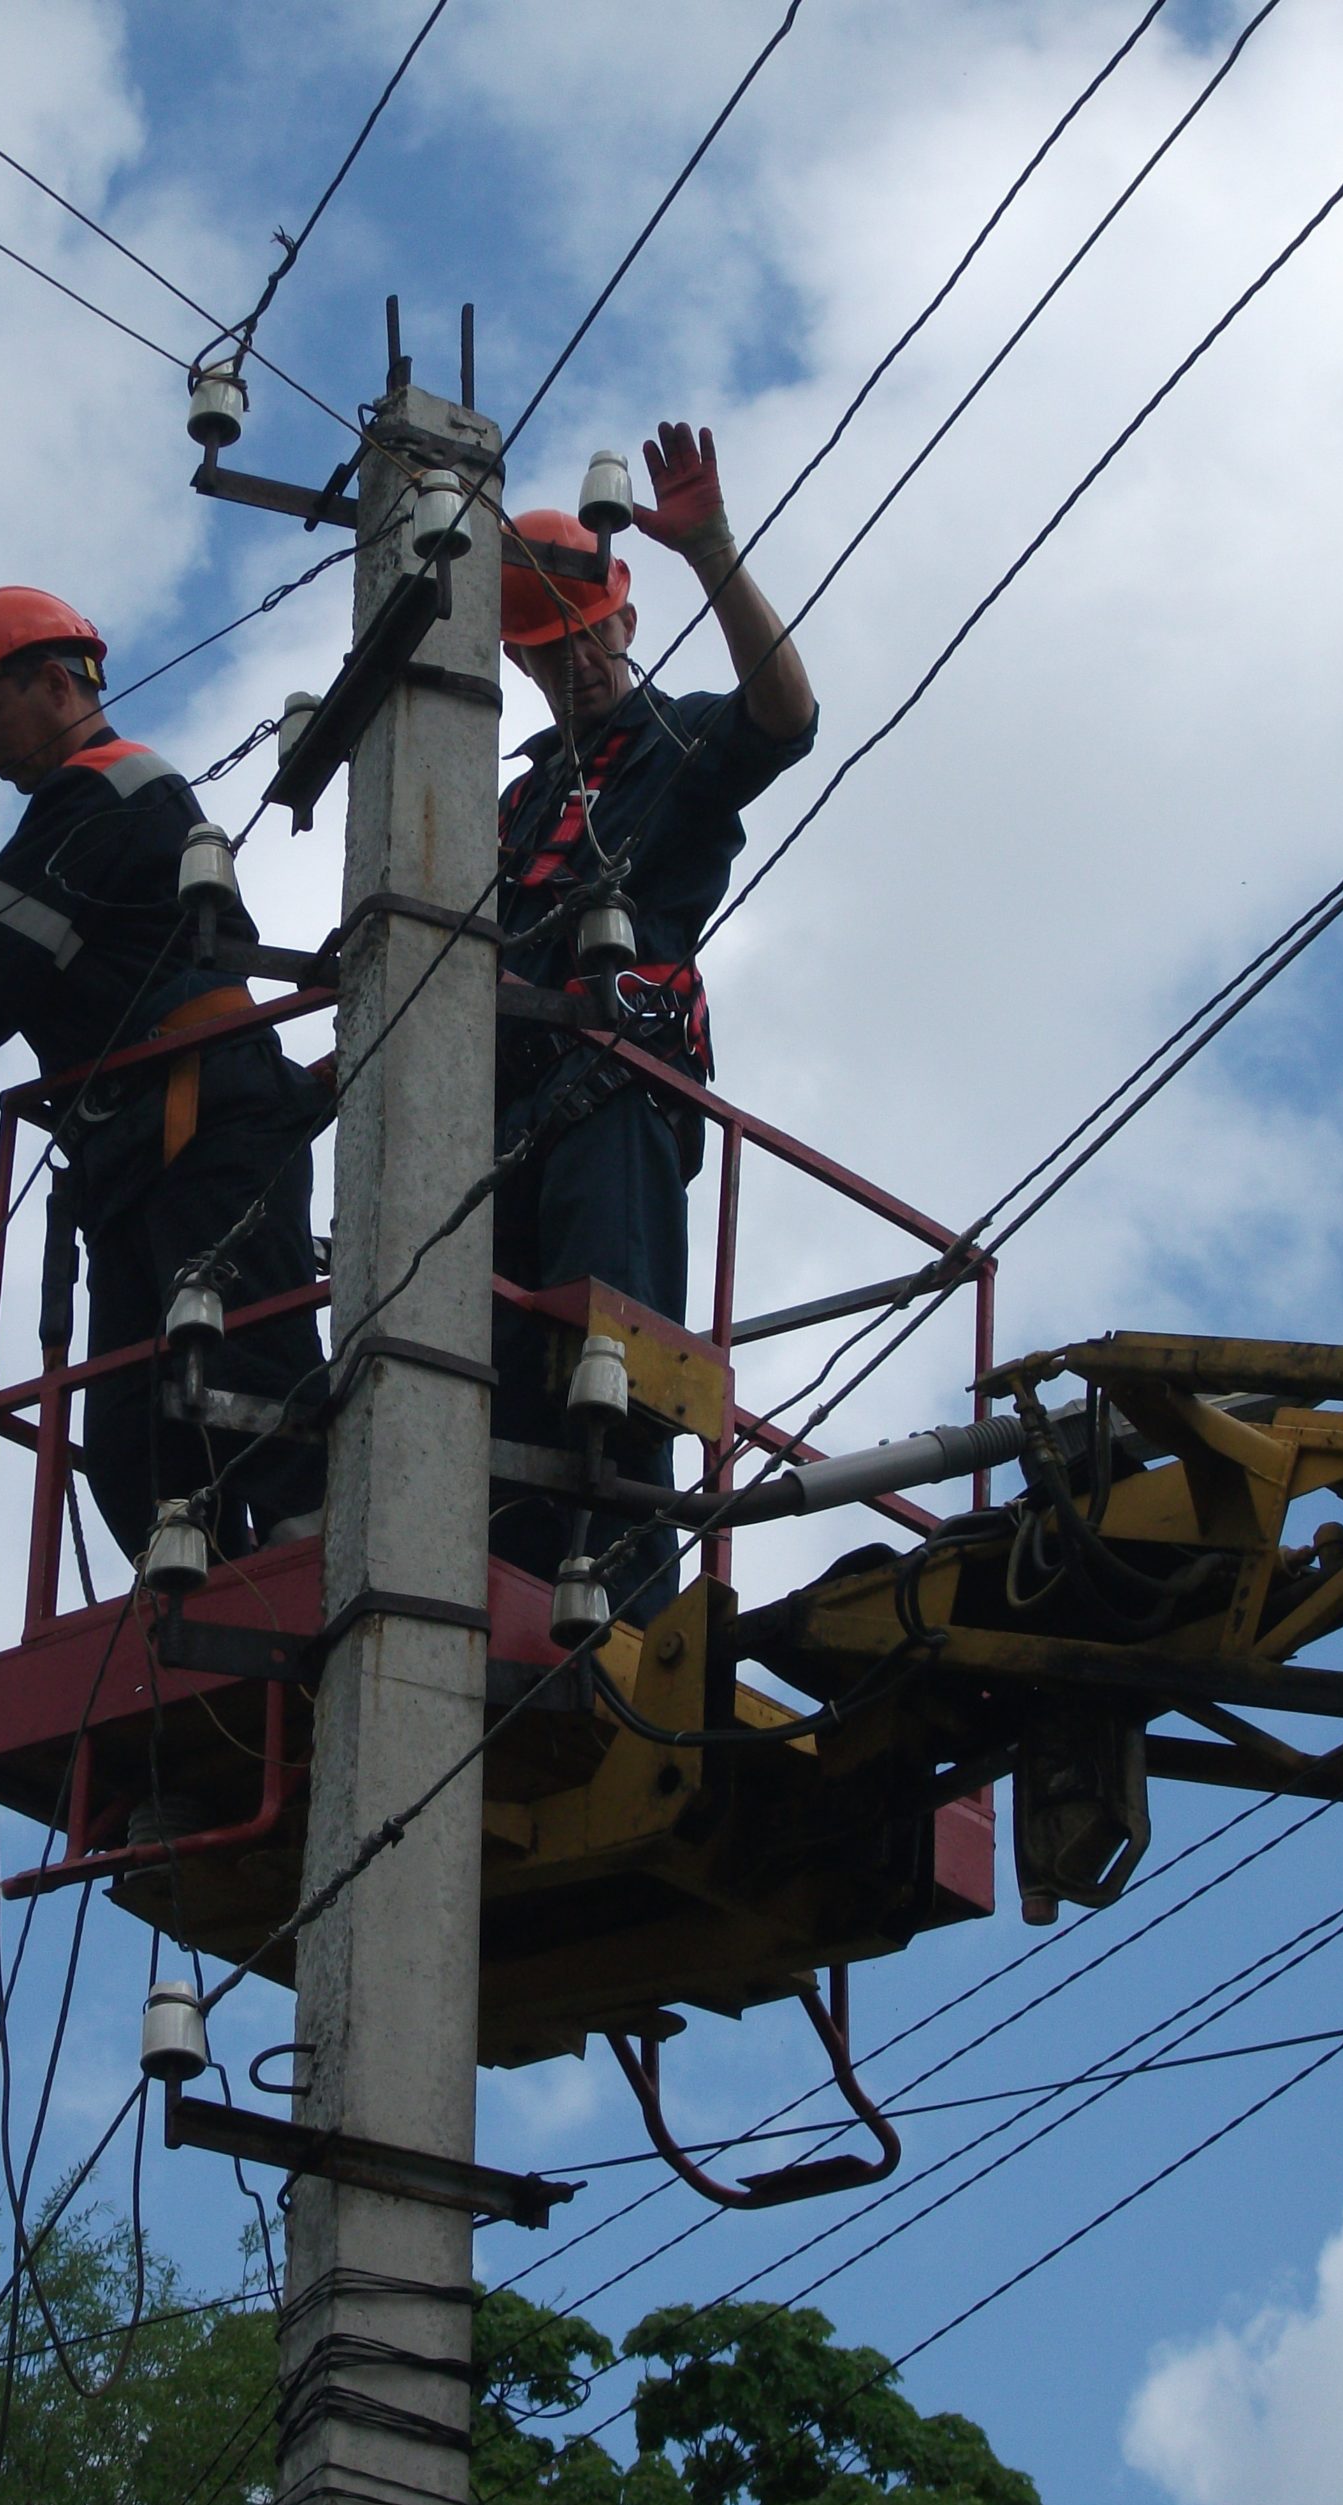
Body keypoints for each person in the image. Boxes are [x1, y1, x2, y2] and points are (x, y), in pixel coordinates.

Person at [0, 585, 326, 1563]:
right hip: (137, 1153)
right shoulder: (76, 816)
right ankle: (212, 1623)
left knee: (255, 1386)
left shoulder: (109, 789)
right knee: (134, 1445)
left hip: (208, 1126)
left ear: (55, 683)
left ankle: (326, 1589)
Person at [490, 422, 817, 1621]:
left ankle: (617, 1610)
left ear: (621, 621)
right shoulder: (515, 809)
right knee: (481, 1375)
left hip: (615, 1091)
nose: (572, 661)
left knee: (607, 1353)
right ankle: (500, 1594)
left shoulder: (674, 742)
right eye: (544, 648)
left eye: (585, 634)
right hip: (487, 1126)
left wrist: (712, 548)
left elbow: (784, 718)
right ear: (518, 666)